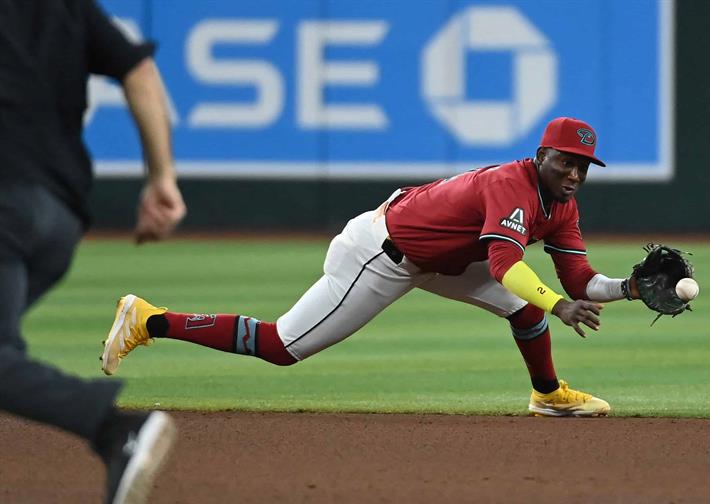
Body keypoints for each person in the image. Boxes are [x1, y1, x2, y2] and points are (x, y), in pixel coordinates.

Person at [102, 116, 640, 417]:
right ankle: (149, 319)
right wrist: (561, 304)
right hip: (381, 255)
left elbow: (580, 280)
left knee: (526, 310)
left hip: (443, 255)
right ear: (542, 154)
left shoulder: (562, 204)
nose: (574, 173)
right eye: (566, 160)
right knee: (281, 347)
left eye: (584, 166)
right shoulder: (511, 184)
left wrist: (630, 287)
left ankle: (547, 396)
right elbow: (505, 263)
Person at [0, 0, 186, 502]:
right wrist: (161, 177)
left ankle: (114, 427)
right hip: (60, 219)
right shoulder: (65, 7)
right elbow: (140, 71)